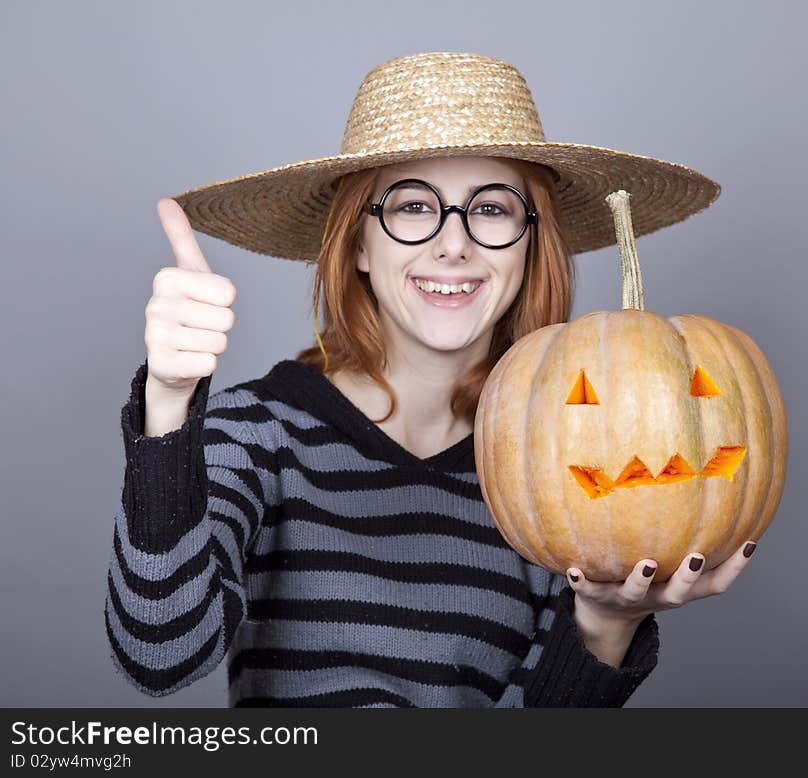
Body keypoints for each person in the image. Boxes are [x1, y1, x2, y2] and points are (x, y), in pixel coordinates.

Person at [104, 51, 757, 708]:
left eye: (494, 209)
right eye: (414, 206)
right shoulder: (257, 434)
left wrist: (605, 625)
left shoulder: (559, 470)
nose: (454, 244)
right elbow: (160, 657)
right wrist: (169, 405)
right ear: (358, 243)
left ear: (533, 244)